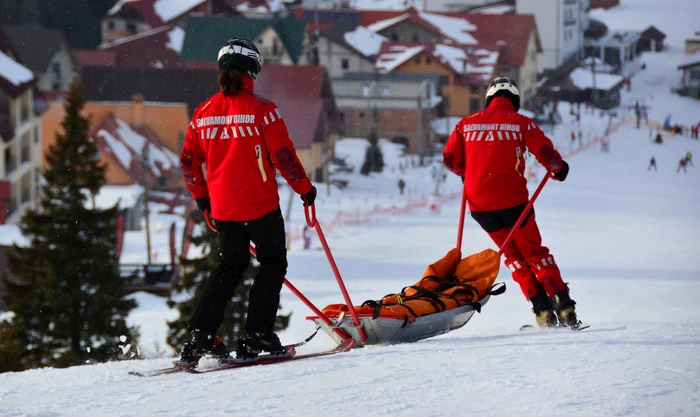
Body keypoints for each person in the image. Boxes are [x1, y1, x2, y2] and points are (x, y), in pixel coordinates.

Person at [179, 38, 317, 363]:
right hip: (260, 206)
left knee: (229, 268)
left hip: (224, 209)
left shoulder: (203, 113)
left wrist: (202, 201)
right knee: (272, 263)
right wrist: (305, 190)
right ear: (252, 68)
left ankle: (200, 338)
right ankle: (257, 336)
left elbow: (188, 161)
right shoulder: (263, 111)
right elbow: (283, 156)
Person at [442, 77, 580, 329]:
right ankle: (565, 307)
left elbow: (450, 158)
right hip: (514, 204)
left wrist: (466, 172)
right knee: (534, 253)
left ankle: (543, 313)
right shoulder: (521, 123)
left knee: (513, 256)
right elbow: (547, 155)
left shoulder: (466, 124)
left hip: (480, 207)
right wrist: (559, 169)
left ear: (489, 100)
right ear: (514, 101)